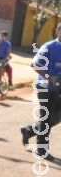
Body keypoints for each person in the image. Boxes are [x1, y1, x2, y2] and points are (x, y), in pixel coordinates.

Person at [20, 22, 61, 161]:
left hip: (58, 89)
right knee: (46, 118)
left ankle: (29, 130)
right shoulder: (49, 47)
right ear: (58, 31)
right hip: (45, 87)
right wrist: (50, 77)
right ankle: (41, 150)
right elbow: (35, 64)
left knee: (56, 117)